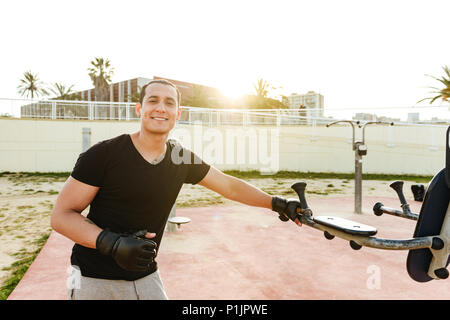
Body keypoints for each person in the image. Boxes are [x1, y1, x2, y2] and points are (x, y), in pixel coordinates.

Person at [50, 79, 302, 300]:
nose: (161, 108)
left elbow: (229, 186)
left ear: (178, 113)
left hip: (145, 276)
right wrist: (112, 243)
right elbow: (61, 216)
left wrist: (277, 203)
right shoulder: (103, 154)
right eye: (153, 100)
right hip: (93, 278)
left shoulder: (180, 158)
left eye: (169, 103)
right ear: (140, 109)